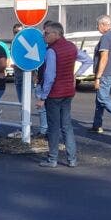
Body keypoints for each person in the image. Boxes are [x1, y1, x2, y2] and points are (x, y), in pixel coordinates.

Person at [36, 22, 78, 168]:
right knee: (67, 125)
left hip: (55, 93)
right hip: (68, 92)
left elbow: (49, 77)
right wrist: (75, 75)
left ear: (56, 34)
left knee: (53, 127)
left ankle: (52, 159)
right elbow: (87, 60)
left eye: (46, 33)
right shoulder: (71, 47)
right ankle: (72, 159)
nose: (44, 36)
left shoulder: (52, 51)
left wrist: (43, 97)